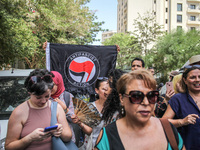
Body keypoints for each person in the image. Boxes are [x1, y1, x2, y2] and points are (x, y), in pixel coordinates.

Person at [95, 69, 185, 150]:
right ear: (122, 99)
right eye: (136, 96)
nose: (146, 103)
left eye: (152, 96)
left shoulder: (168, 129)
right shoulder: (108, 136)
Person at [5, 69, 72, 150]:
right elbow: (8, 147)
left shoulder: (56, 107)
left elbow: (68, 137)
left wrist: (61, 132)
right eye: (38, 97)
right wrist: (30, 138)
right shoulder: (19, 112)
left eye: (47, 96)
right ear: (29, 93)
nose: (43, 101)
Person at [163, 65, 200, 150]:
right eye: (193, 77)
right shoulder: (178, 99)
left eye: (199, 77)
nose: (197, 80)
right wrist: (182, 121)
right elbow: (164, 123)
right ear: (185, 80)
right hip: (187, 146)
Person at [50, 71, 76, 143]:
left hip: (66, 137)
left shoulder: (67, 96)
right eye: (48, 84)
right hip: (49, 137)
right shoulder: (43, 98)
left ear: (59, 83)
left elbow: (74, 120)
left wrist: (65, 109)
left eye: (53, 85)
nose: (50, 88)